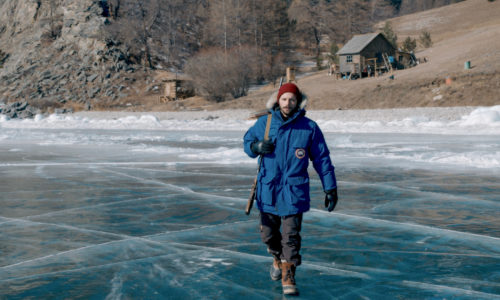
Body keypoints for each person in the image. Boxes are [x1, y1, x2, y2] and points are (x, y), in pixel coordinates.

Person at [243, 82, 338, 295]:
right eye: (284, 99)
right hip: (268, 190)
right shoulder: (265, 123)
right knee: (268, 235)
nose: (288, 103)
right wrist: (255, 147)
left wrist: (330, 188)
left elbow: (322, 159)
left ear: (298, 102)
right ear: (278, 100)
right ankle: (277, 258)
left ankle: (288, 272)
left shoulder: (309, 127)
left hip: (294, 192)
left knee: (291, 236)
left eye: (292, 99)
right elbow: (247, 141)